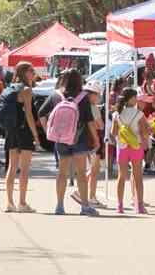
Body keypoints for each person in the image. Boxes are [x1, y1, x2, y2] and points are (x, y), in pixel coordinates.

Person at [38, 69, 100, 216]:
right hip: (80, 138)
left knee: (62, 173)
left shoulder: (56, 95)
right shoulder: (83, 97)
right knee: (81, 174)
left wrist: (48, 130)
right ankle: (85, 206)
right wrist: (96, 139)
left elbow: (41, 112)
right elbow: (89, 120)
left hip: (61, 139)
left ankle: (59, 206)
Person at [3, 62, 41, 213]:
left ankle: (9, 202)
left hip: (11, 131)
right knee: (24, 168)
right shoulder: (26, 90)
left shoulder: (10, 88)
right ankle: (22, 203)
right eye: (32, 70)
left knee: (12, 167)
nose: (34, 73)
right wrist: (36, 135)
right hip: (24, 131)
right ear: (25, 73)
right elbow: (29, 114)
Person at [110, 88, 150, 214]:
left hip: (121, 147)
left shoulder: (117, 114)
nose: (137, 99)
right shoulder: (139, 114)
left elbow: (113, 133)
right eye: (135, 97)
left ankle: (120, 206)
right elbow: (144, 133)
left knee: (121, 176)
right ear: (131, 99)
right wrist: (148, 132)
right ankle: (139, 205)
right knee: (137, 176)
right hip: (135, 146)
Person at [85, 80, 107, 209]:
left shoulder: (82, 106)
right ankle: (91, 197)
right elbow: (100, 124)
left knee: (92, 169)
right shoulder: (93, 108)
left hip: (85, 140)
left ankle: (88, 194)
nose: (99, 97)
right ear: (92, 94)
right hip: (94, 140)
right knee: (94, 170)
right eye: (98, 95)